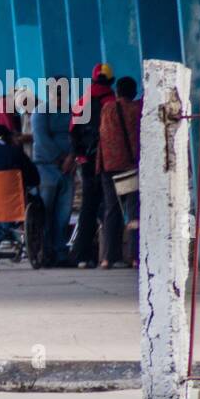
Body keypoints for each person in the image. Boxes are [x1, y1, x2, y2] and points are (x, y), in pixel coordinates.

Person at [71, 63, 116, 267]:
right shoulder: (112, 102)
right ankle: (109, 255)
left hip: (87, 162)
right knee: (110, 207)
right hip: (107, 161)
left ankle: (82, 254)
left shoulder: (82, 101)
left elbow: (73, 132)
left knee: (88, 208)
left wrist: (80, 156)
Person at [31, 76, 76, 266]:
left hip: (68, 169)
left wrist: (71, 157)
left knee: (63, 213)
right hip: (46, 168)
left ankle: (60, 252)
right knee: (46, 212)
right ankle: (45, 251)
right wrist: (60, 158)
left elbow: (77, 135)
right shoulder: (40, 113)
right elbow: (41, 139)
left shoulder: (72, 112)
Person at [98, 76, 141, 268]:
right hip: (128, 167)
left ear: (117, 92)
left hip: (108, 166)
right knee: (133, 211)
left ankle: (108, 257)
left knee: (112, 210)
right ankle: (134, 256)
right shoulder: (136, 110)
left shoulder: (107, 108)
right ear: (133, 92)